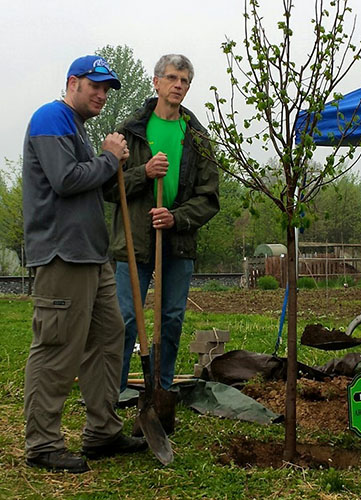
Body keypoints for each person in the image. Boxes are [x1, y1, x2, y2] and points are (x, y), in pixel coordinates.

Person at [22, 55, 147, 474]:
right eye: (94, 85)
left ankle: (102, 431)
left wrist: (110, 163)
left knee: (110, 338)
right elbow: (65, 180)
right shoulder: (51, 117)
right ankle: (42, 444)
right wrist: (109, 159)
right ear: (72, 82)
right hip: (63, 257)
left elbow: (86, 178)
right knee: (58, 348)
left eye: (107, 88)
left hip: (93, 258)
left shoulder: (76, 129)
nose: (101, 94)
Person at [103, 54, 219, 402]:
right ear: (156, 82)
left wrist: (176, 217)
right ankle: (117, 390)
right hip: (134, 240)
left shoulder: (197, 137)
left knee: (170, 318)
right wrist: (144, 173)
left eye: (184, 80)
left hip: (177, 241)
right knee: (125, 318)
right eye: (172, 78)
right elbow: (109, 187)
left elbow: (209, 197)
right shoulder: (130, 131)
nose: (178, 85)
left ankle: (162, 388)